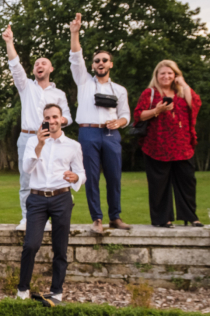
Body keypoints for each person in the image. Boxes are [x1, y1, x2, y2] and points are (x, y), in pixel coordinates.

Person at [2, 24, 73, 232]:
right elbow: (15, 65)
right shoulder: (25, 87)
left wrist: (58, 123)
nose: (39, 65)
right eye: (36, 64)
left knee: (50, 179)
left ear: (51, 69)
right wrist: (9, 42)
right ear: (34, 70)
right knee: (26, 181)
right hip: (28, 138)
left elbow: (68, 116)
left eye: (44, 63)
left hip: (52, 140)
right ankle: (26, 218)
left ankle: (48, 220)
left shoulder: (59, 94)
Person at [16, 104, 86, 302]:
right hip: (37, 198)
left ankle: (57, 291)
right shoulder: (32, 142)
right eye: (48, 117)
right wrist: (39, 145)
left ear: (62, 119)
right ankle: (22, 289)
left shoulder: (73, 145)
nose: (52, 121)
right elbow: (27, 169)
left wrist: (76, 178)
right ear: (43, 119)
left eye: (55, 117)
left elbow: (82, 173)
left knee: (60, 247)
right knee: (30, 245)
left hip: (61, 198)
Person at [69, 13, 131, 234]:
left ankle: (115, 217)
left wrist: (119, 122)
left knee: (114, 177)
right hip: (88, 134)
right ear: (93, 65)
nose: (100, 63)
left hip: (111, 135)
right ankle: (97, 219)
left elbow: (126, 115)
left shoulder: (120, 90)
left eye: (104, 60)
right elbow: (76, 56)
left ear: (110, 64)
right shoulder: (84, 81)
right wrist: (74, 33)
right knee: (91, 177)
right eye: (97, 60)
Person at [133, 60, 203, 228]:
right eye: (162, 73)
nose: (166, 76)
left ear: (175, 75)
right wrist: (157, 110)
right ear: (156, 76)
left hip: (182, 146)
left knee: (187, 182)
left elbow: (196, 104)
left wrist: (183, 83)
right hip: (157, 145)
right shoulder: (149, 93)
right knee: (159, 185)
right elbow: (138, 116)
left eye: (170, 73)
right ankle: (162, 219)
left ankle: (190, 216)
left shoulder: (182, 92)